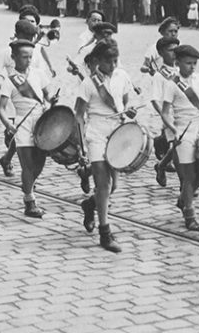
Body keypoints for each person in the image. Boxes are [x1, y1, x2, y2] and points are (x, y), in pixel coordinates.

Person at [75, 39, 136, 253]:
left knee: (113, 186)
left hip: (116, 132)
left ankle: (89, 205)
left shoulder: (122, 76)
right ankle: (105, 232)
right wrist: (81, 145)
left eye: (115, 60)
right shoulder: (88, 83)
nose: (113, 65)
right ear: (98, 61)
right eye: (108, 61)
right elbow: (79, 115)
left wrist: (129, 112)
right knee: (104, 184)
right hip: (97, 134)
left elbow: (124, 102)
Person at [160, 44, 199, 232]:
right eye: (188, 63)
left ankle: (184, 199)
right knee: (188, 176)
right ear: (177, 63)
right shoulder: (171, 83)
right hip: (183, 132)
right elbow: (165, 112)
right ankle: (190, 216)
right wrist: (172, 130)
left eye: (194, 63)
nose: (192, 67)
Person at [0, 39, 56, 218]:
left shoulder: (38, 74)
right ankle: (29, 201)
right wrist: (9, 125)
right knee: (28, 165)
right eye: (24, 57)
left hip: (40, 122)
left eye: (30, 57)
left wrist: (53, 101)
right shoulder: (10, 81)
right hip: (22, 124)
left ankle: (28, 185)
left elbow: (48, 95)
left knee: (39, 163)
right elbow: (0, 109)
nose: (28, 60)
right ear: (14, 57)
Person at [150, 36, 179, 187]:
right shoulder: (159, 75)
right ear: (161, 53)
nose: (174, 53)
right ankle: (185, 184)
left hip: (183, 113)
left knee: (177, 147)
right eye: (170, 50)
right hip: (169, 116)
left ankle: (161, 165)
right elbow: (155, 100)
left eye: (176, 50)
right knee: (179, 147)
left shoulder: (181, 70)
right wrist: (164, 115)